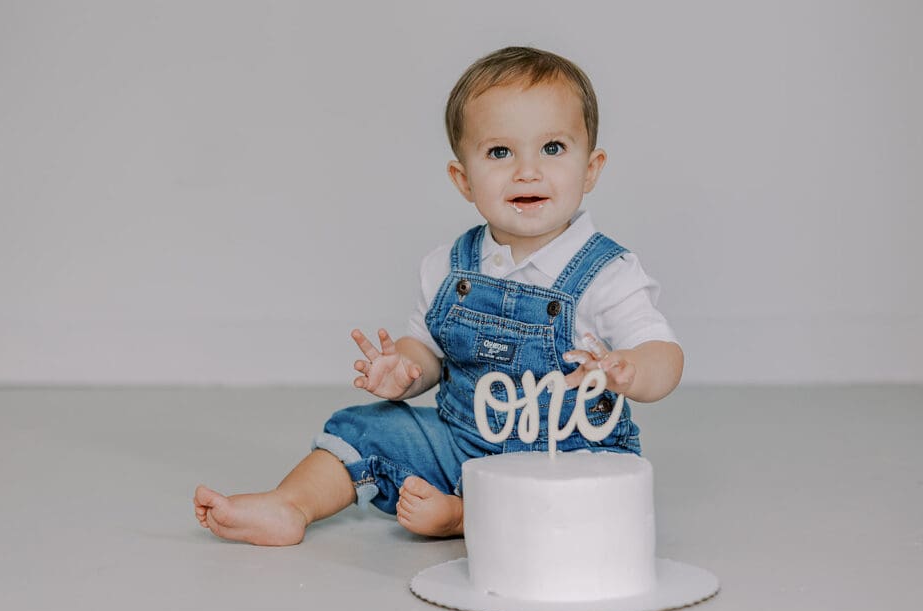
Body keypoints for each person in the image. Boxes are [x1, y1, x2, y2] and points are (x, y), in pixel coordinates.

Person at [194, 46, 683, 546]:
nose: (527, 171)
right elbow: (426, 349)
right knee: (366, 428)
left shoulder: (607, 273)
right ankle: (290, 505)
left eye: (553, 148)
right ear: (463, 179)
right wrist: (405, 370)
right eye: (500, 152)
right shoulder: (448, 267)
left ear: (592, 168)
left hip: (567, 457)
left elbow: (664, 356)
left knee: (588, 504)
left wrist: (630, 368)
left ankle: (464, 516)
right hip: (460, 442)